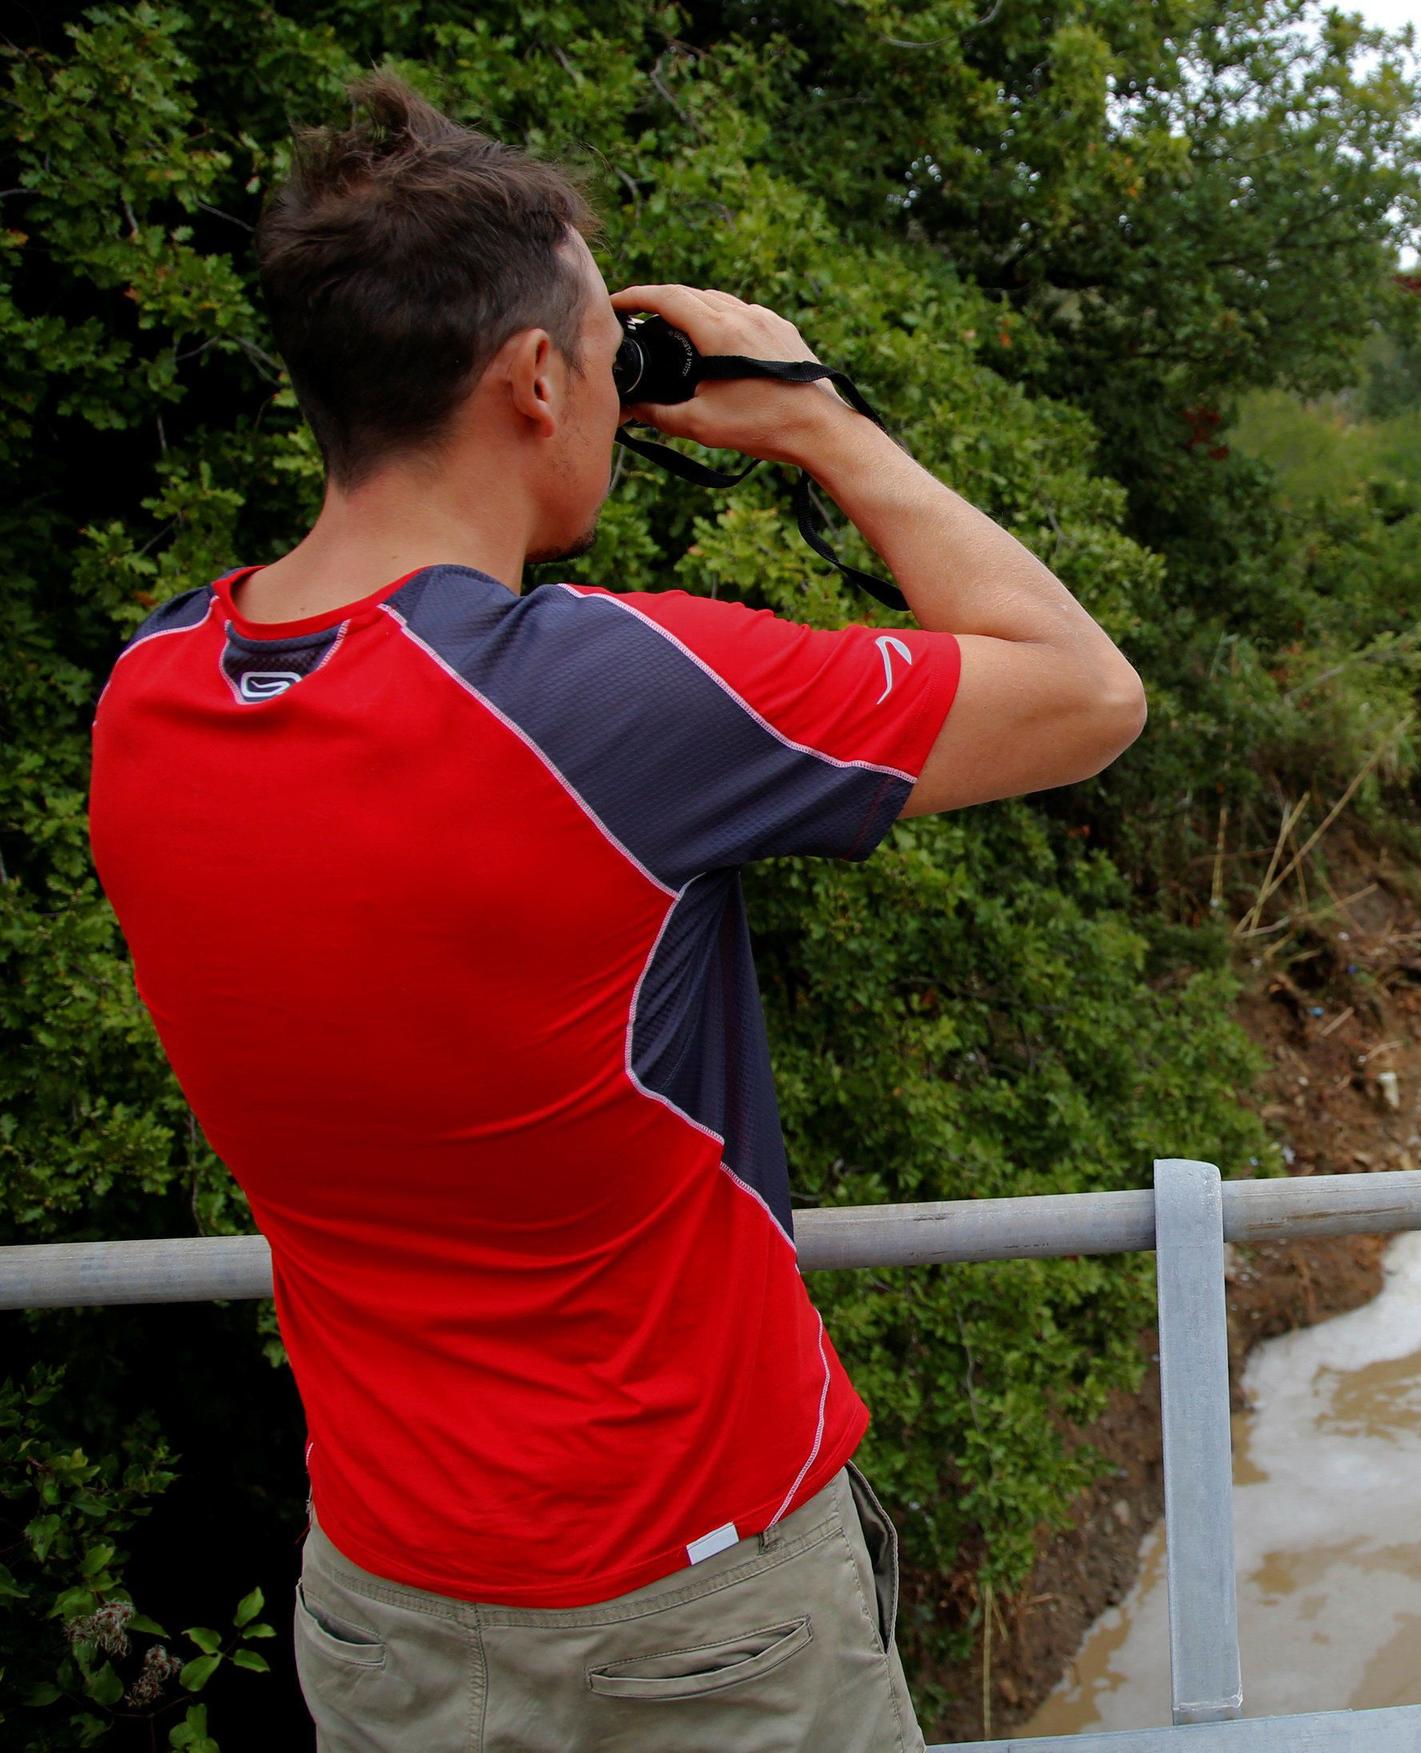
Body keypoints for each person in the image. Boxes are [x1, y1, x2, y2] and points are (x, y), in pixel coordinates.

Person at [85, 68, 1144, 1751]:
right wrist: (813, 415)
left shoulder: (147, 698)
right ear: (528, 379)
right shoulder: (604, 691)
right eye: (595, 355)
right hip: (694, 1605)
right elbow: (1085, 693)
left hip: (378, 1608)